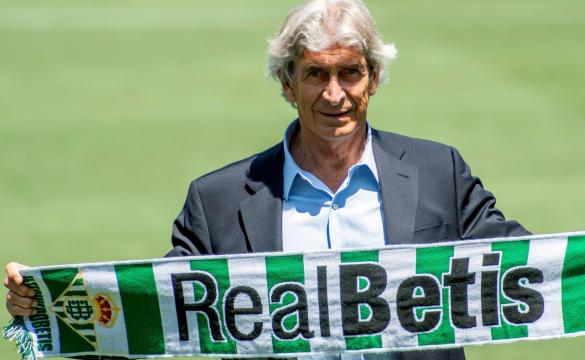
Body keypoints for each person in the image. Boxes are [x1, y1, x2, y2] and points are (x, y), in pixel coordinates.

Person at [4, 1, 529, 359]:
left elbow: (526, 268)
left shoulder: (440, 172)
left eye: (349, 73)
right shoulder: (218, 201)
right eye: (315, 75)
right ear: (287, 83)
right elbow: (155, 311)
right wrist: (50, 304)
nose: (334, 95)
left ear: (373, 77)